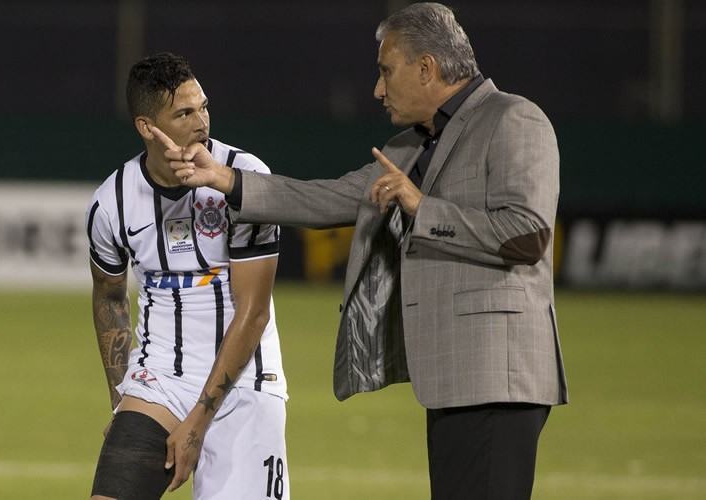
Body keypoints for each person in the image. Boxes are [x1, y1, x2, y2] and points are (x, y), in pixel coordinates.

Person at [155, 3, 568, 499]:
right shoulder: (413, 146)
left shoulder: (514, 119)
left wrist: (422, 207)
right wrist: (223, 178)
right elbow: (329, 197)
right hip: (457, 378)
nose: (378, 89)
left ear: (426, 68)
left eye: (385, 71)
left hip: (498, 378)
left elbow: (527, 234)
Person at [85, 52, 289, 500]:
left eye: (204, 107)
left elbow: (254, 313)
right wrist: (122, 398)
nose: (202, 122)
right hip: (160, 379)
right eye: (184, 113)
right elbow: (110, 297)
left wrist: (198, 420)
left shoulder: (246, 178)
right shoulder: (112, 202)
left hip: (246, 382)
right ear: (146, 126)